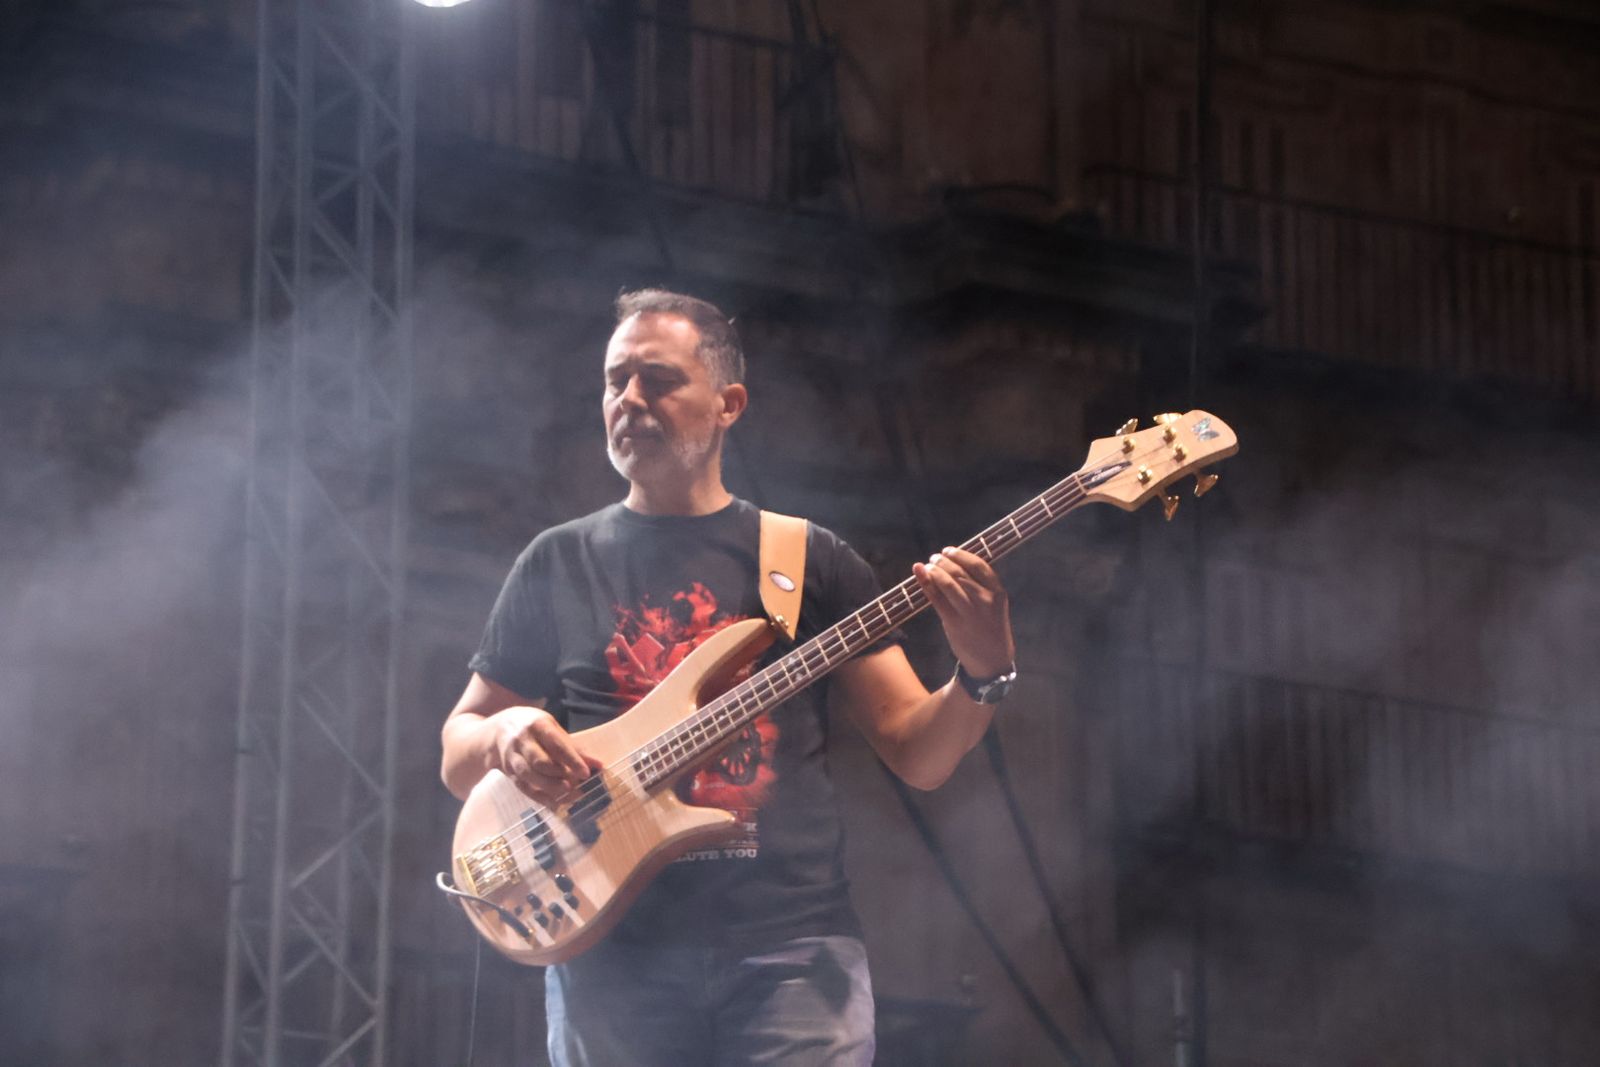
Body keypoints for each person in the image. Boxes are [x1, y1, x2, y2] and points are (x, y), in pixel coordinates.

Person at [439, 288, 1017, 1066]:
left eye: (658, 378)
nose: (629, 399)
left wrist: (983, 670)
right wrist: (506, 731)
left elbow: (922, 751)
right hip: (614, 955)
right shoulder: (556, 561)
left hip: (791, 950)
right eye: (615, 381)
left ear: (729, 403)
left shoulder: (807, 558)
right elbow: (457, 750)